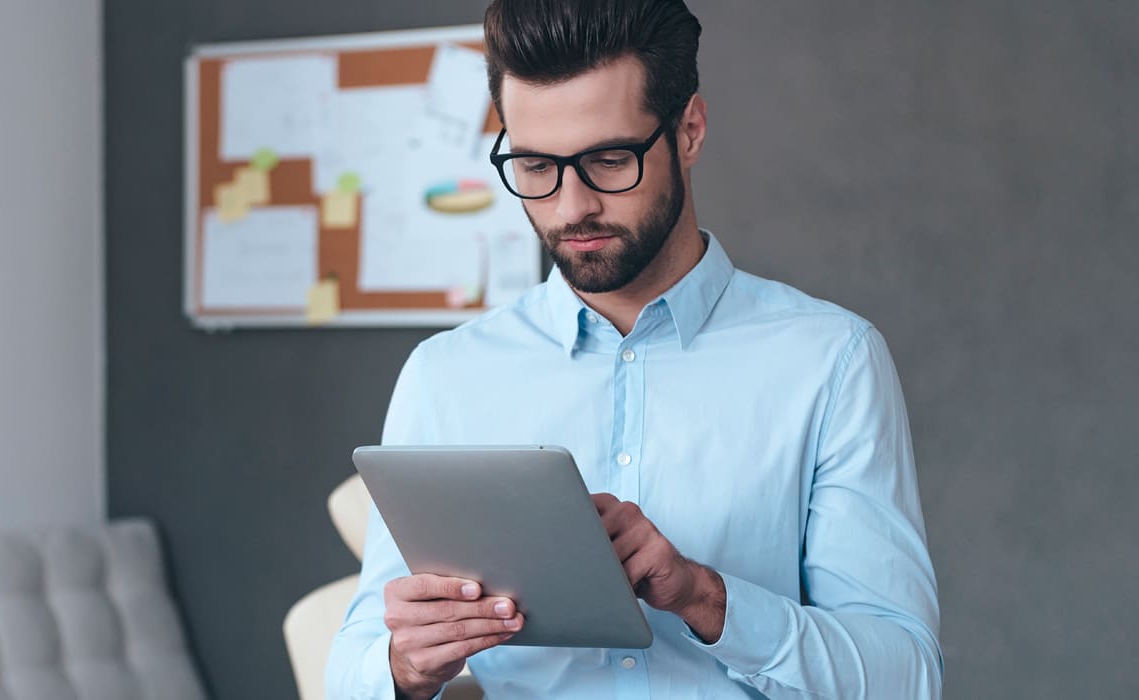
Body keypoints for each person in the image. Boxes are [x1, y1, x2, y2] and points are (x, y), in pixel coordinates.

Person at [325, 0, 943, 697]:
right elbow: (354, 666)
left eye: (609, 159)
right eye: (534, 166)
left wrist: (704, 597)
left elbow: (905, 678)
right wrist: (405, 667)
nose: (570, 207)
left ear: (689, 131)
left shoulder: (833, 362)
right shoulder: (445, 377)